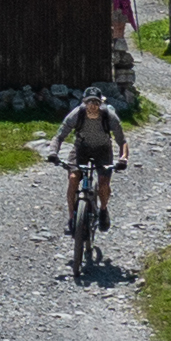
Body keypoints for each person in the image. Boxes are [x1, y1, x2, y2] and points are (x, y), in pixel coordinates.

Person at [57, 81, 126, 263]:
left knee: (103, 183)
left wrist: (123, 159)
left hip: (103, 150)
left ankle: (103, 210)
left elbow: (122, 141)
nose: (92, 106)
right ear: (84, 103)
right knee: (73, 178)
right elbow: (59, 135)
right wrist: (52, 152)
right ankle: (72, 219)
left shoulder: (109, 116)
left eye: (96, 102)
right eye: (89, 102)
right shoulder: (77, 115)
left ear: (101, 103)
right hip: (81, 148)